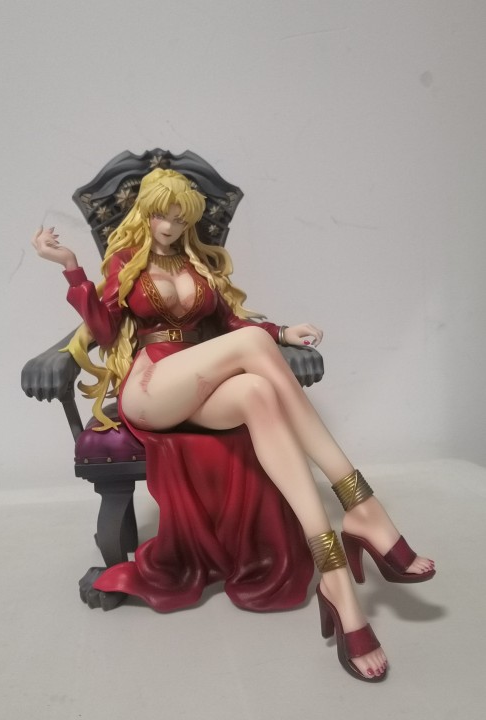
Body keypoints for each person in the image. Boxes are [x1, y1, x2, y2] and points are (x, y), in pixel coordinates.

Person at [32, 168, 435, 682]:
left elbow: (230, 324)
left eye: (181, 219)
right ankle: (362, 504)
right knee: (252, 349)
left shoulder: (196, 265)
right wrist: (71, 268)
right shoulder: (125, 263)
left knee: (258, 392)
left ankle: (335, 576)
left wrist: (282, 331)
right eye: (161, 216)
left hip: (197, 387)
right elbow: (106, 331)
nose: (170, 227)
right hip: (151, 387)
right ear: (144, 213)